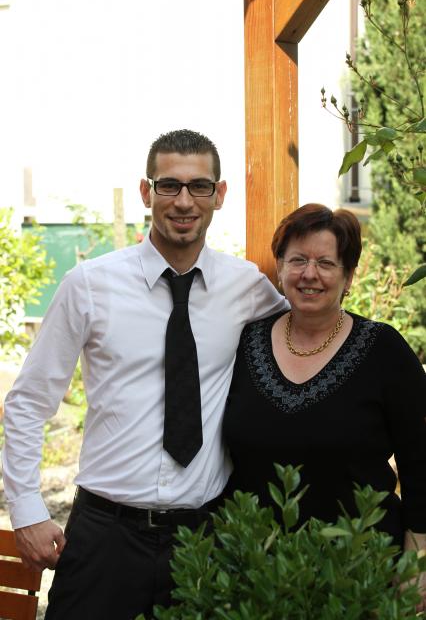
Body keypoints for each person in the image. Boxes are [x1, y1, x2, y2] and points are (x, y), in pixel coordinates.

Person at [2, 129, 287, 620]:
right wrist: (27, 510)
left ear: (219, 195)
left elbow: (306, 335)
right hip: (103, 538)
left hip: (203, 541)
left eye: (199, 186)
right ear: (145, 191)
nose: (184, 201)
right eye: (169, 185)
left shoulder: (246, 287)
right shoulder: (89, 285)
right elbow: (29, 402)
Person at [223, 203, 426, 608]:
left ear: (348, 276)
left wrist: (418, 557)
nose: (309, 274)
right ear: (280, 268)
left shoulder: (383, 350)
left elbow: (420, 458)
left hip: (360, 571)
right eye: (297, 260)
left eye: (326, 263)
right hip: (257, 572)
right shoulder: (243, 343)